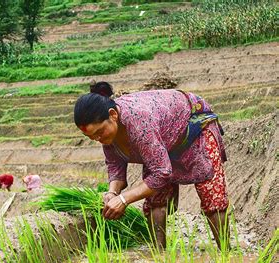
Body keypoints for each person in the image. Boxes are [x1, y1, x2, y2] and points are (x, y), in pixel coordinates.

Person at [74, 81, 230, 249]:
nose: (98, 139)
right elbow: (115, 164)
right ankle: (159, 255)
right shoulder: (108, 133)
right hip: (163, 139)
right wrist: (112, 193)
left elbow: (162, 172)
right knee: (155, 201)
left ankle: (226, 255)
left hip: (193, 128)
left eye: (99, 132)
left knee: (211, 195)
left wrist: (124, 199)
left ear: (113, 115)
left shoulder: (140, 123)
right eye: (92, 137)